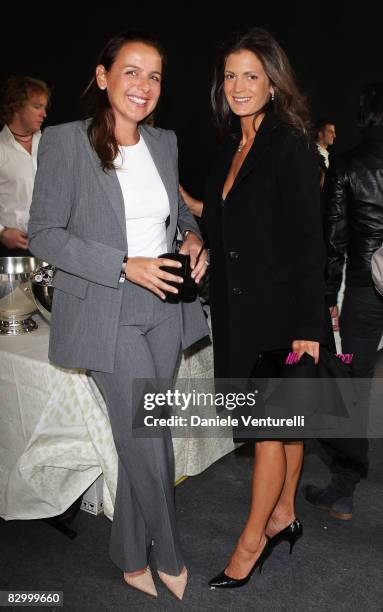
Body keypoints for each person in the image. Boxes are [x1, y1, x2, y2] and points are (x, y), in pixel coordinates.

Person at [28, 31, 209, 601]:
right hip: (109, 309)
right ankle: (169, 552)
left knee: (141, 435)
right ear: (103, 77)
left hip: (165, 308)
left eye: (154, 76)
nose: (144, 86)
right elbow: (44, 236)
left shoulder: (164, 142)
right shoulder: (64, 142)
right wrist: (123, 265)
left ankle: (130, 554)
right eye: (131, 72)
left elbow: (178, 211)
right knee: (150, 437)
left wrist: (194, 241)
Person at [202, 27, 327, 588]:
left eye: (251, 75)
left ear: (274, 84)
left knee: (267, 430)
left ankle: (250, 545)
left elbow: (307, 241)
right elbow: (231, 219)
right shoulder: (235, 143)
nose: (238, 85)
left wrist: (307, 326)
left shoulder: (290, 143)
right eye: (230, 75)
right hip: (238, 312)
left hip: (277, 316)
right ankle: (284, 515)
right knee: (286, 426)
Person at [303, 82, 383, 520]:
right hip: (363, 290)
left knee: (353, 381)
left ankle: (345, 487)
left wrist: (327, 295)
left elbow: (332, 238)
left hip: (363, 293)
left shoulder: (347, 165)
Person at [0, 75, 49, 256]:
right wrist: (1, 232)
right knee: (23, 287)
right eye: (37, 107)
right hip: (14, 251)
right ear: (17, 106)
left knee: (49, 286)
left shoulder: (50, 144)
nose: (44, 114)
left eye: (45, 107)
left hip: (53, 248)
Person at [315, 118, 336, 188]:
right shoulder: (313, 154)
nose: (334, 136)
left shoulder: (325, 154)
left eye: (334, 132)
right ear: (320, 134)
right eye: (330, 132)